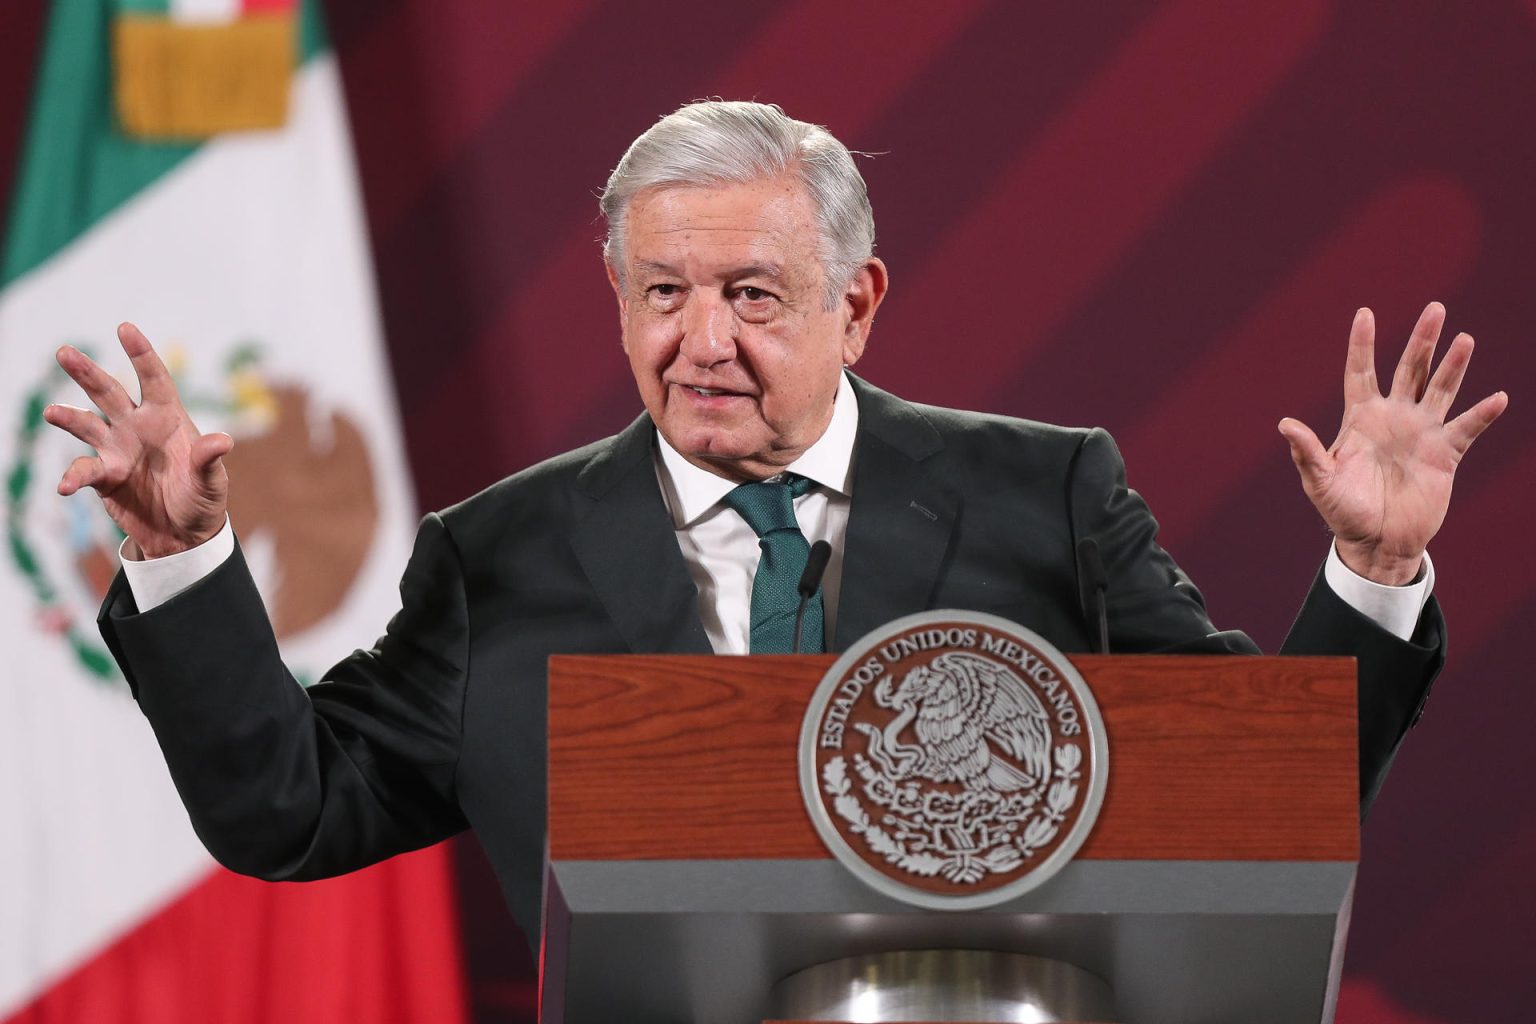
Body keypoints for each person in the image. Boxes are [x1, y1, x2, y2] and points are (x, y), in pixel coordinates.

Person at [43, 101, 1506, 948]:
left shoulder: (1042, 498)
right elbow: (287, 812)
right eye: (661, 294)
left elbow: (1260, 792)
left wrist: (1372, 569)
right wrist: (182, 560)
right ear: (616, 305)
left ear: (856, 305)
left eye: (752, 294)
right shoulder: (501, 557)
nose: (702, 343)